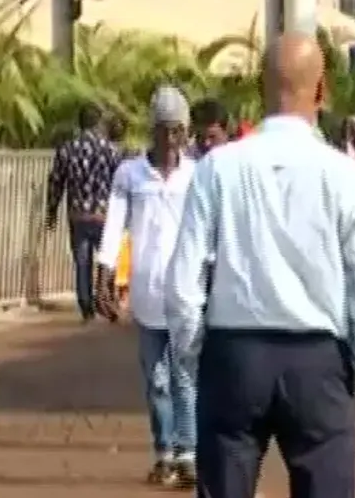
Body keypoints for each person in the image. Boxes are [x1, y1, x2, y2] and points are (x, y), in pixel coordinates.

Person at [165, 33, 355, 498]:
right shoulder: (348, 177)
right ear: (322, 90)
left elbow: (183, 288)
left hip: (233, 357)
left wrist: (199, 357)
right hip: (318, 363)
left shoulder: (217, 168)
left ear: (260, 89)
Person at [95, 87, 198, 488]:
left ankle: (189, 452)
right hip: (146, 294)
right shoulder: (130, 175)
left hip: (186, 294)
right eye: (164, 132)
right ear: (151, 132)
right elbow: (114, 227)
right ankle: (164, 452)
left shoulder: (197, 174)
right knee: (156, 379)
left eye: (178, 132)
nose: (171, 142)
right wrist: (104, 274)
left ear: (186, 134)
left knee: (185, 377)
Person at [46, 103, 122, 323]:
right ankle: (107, 300)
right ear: (98, 123)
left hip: (77, 214)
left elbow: (56, 183)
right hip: (103, 215)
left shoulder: (67, 150)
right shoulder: (111, 150)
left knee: (82, 262)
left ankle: (87, 309)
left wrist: (51, 211)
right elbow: (120, 184)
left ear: (79, 123)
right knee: (108, 259)